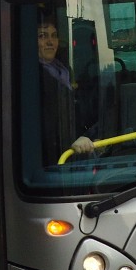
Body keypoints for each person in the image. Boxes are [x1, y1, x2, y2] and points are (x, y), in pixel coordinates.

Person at [37, 12, 95, 162]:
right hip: (56, 153)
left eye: (54, 36)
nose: (50, 42)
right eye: (43, 36)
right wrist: (71, 139)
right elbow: (47, 122)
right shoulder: (35, 77)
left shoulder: (64, 70)